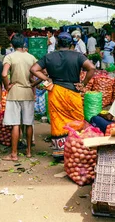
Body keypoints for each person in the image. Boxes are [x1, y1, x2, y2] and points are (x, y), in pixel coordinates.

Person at [30, 32, 95, 160]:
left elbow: (33, 69)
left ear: (57, 43)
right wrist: (83, 84)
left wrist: (47, 79)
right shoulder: (78, 56)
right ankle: (76, 149)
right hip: (72, 93)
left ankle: (60, 153)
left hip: (56, 92)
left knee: (58, 120)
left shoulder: (49, 56)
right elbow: (91, 68)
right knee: (76, 118)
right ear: (71, 44)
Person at [1, 34, 37, 161]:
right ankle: (28, 152)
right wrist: (33, 84)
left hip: (15, 92)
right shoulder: (31, 57)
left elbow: (4, 73)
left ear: (12, 45)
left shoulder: (9, 57)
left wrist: (7, 86)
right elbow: (42, 73)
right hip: (28, 92)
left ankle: (14, 154)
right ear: (24, 45)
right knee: (28, 123)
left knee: (15, 124)